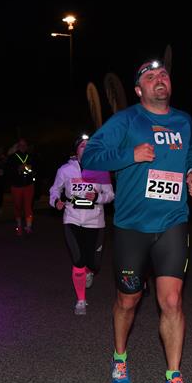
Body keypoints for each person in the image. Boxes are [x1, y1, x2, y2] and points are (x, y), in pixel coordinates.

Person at [81, 59, 192, 383]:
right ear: (139, 90)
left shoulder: (184, 122)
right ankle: (120, 358)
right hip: (132, 227)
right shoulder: (126, 121)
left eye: (163, 74)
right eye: (150, 77)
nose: (159, 79)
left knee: (172, 300)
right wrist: (129, 154)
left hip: (172, 222)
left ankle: (173, 376)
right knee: (128, 300)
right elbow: (90, 157)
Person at [49, 135, 115, 315]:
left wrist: (98, 197)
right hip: (72, 219)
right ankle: (81, 300)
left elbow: (110, 195)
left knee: (94, 264)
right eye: (82, 146)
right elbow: (55, 190)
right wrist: (56, 201)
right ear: (76, 150)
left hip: (96, 221)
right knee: (78, 260)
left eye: (89, 146)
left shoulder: (101, 169)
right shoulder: (65, 170)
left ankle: (89, 270)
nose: (86, 148)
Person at [7, 138, 36, 235]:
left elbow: (36, 168)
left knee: (28, 206)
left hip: (28, 185)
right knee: (18, 206)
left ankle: (28, 227)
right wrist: (17, 169)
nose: (23, 147)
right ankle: (19, 226)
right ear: (17, 146)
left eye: (24, 145)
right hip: (16, 186)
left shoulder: (30, 156)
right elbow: (8, 171)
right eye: (20, 145)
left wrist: (31, 169)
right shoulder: (12, 157)